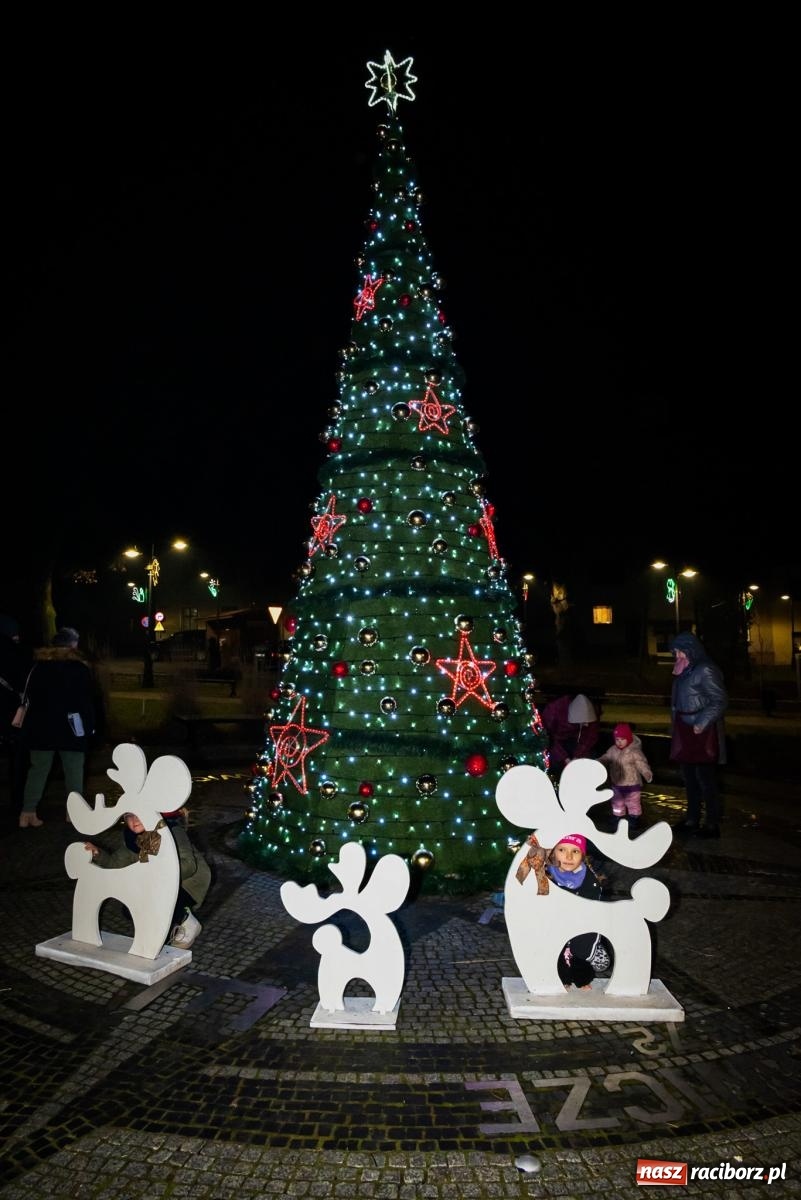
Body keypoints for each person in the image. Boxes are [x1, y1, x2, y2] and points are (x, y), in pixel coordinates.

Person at [84, 807, 211, 949]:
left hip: (188, 882)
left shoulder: (171, 831)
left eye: (140, 814)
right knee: (130, 908)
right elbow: (115, 864)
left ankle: (186, 920)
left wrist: (154, 876)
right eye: (130, 816)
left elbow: (188, 865)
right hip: (157, 883)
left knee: (155, 899)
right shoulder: (133, 840)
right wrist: (97, 854)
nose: (135, 820)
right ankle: (164, 927)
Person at [18, 627, 96, 828]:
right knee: (74, 770)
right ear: (73, 645)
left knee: (38, 770)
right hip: (72, 727)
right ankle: (73, 813)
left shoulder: (38, 667)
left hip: (41, 727)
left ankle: (27, 812)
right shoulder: (79, 668)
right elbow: (86, 701)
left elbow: (28, 697)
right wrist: (90, 727)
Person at [669, 631, 728, 839]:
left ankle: (712, 824)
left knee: (706, 779)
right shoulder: (684, 671)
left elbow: (719, 700)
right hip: (685, 731)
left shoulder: (705, 670)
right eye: (675, 652)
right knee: (689, 778)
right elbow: (677, 703)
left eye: (679, 651)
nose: (677, 656)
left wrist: (702, 723)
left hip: (701, 733)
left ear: (690, 650)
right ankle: (692, 818)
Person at [544, 832, 610, 989]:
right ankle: (562, 977)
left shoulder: (590, 879)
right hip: (553, 927)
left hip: (581, 927)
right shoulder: (546, 876)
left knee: (597, 959)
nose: (568, 856)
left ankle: (581, 976)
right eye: (562, 850)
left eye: (575, 851)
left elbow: (595, 912)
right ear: (553, 852)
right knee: (555, 949)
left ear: (583, 855)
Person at [1, 614, 33, 815]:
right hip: (12, 713)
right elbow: (25, 682)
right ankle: (18, 801)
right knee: (18, 758)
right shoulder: (16, 653)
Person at [598, 722, 653, 826]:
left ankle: (634, 818)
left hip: (632, 784)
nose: (619, 742)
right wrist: (599, 761)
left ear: (628, 738)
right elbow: (606, 757)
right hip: (617, 783)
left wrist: (646, 772)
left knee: (633, 802)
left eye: (622, 739)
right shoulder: (612, 750)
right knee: (617, 802)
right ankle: (618, 816)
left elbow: (641, 763)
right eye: (617, 739)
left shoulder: (634, 752)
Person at [541, 692, 601, 773]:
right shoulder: (554, 710)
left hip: (574, 739)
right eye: (583, 722)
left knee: (588, 758)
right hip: (555, 741)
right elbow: (547, 737)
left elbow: (590, 736)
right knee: (554, 762)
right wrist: (565, 759)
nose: (587, 724)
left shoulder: (591, 712)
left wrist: (577, 757)